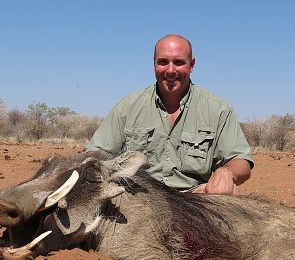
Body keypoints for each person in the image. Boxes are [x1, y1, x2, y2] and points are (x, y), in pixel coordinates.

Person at [86, 34, 254, 195]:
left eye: (179, 62)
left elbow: (241, 161)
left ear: (192, 64)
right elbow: (96, 153)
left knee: (230, 192)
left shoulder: (218, 110)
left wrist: (227, 172)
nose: (171, 70)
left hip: (194, 200)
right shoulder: (127, 107)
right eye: (163, 62)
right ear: (154, 64)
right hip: (139, 199)